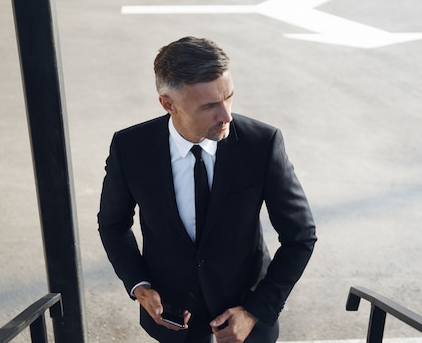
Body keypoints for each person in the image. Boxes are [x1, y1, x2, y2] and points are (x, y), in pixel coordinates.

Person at [98, 36, 317, 343]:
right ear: (167, 104)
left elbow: (301, 237)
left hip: (249, 318)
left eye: (228, 98)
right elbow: (112, 224)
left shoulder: (262, 144)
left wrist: (254, 311)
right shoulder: (130, 148)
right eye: (210, 106)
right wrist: (140, 286)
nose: (226, 115)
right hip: (173, 321)